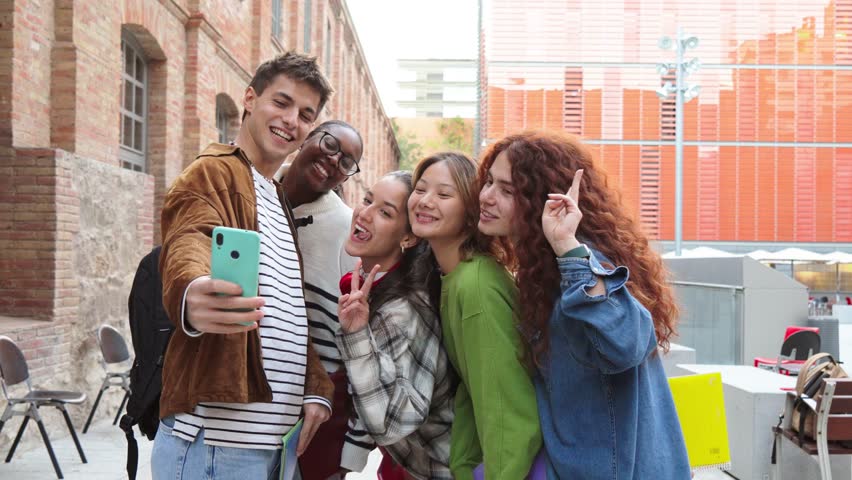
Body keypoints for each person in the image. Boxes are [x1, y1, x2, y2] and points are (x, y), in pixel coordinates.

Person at [154, 52, 335, 479]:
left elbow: (287, 313)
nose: (291, 120)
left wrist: (315, 388)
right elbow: (190, 238)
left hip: (272, 449)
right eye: (282, 102)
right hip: (212, 447)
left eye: (305, 114)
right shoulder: (212, 173)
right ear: (250, 99)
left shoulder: (277, 197)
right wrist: (191, 291)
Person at [476, 130, 690, 479]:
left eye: (507, 190)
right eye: (489, 182)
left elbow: (627, 343)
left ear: (542, 201)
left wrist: (568, 247)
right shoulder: (541, 274)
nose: (486, 196)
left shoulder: (581, 266)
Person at [407, 153, 542, 479]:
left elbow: (507, 409)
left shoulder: (476, 285)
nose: (425, 201)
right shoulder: (454, 277)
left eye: (443, 194)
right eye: (420, 189)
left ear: (471, 212)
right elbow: (473, 391)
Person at [334, 171, 454, 480]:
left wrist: (357, 335)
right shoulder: (377, 288)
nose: (364, 213)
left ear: (408, 238)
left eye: (385, 212)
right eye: (367, 200)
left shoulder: (403, 311)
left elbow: (390, 422)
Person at [276, 120, 376, 478]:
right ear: (309, 137)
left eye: (347, 162)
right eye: (331, 144)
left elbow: (361, 346)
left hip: (316, 420)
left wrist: (350, 451)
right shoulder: (257, 198)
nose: (334, 160)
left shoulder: (347, 230)